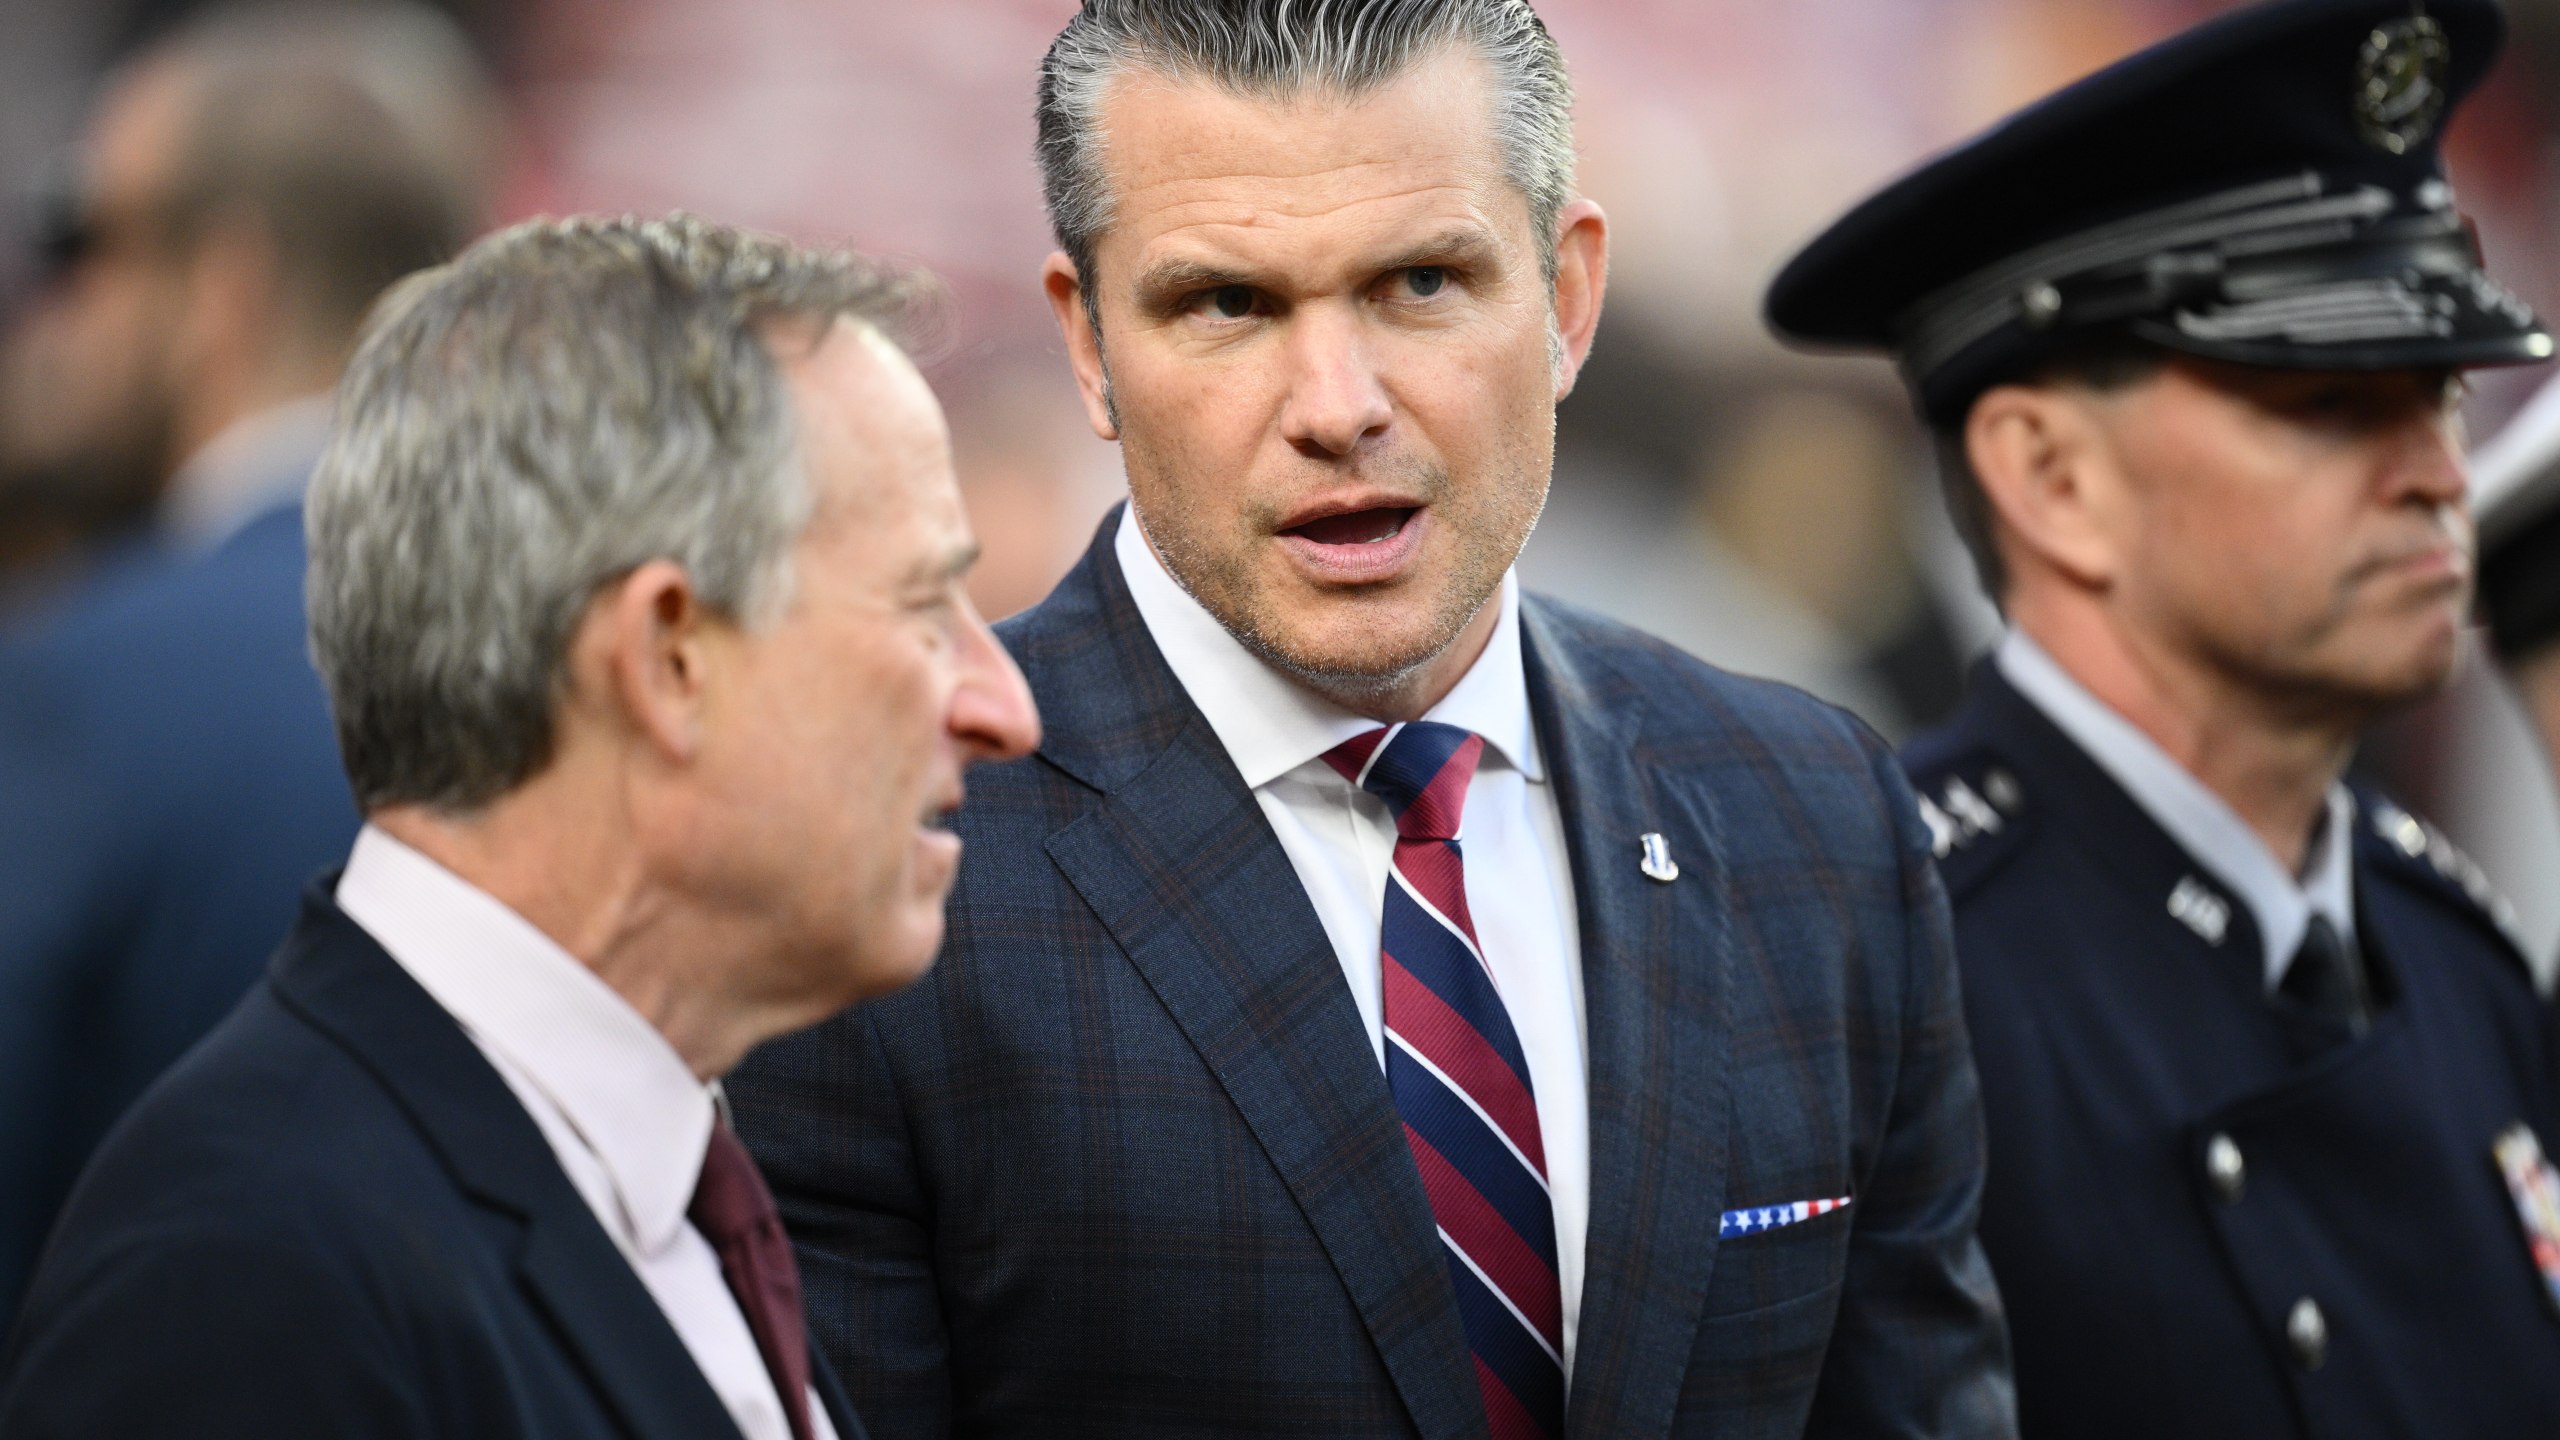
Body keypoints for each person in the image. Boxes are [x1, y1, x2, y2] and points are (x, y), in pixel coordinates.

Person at [727, 3, 2015, 1437]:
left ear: (1569, 296)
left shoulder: (1816, 815)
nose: (1337, 407)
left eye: (1419, 282)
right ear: (1087, 344)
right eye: (1227, 305)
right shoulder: (875, 867)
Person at [0, 212, 1042, 1439]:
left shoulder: (645, 1184)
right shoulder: (248, 1278)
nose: (1002, 707)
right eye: (924, 608)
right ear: (667, 659)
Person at [1766, 0, 2560, 1434]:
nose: (2440, 473)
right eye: (2331, 403)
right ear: (2054, 478)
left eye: (2438, 396)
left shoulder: (2451, 947)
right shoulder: (1878, 975)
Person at [0, 1, 497, 1318]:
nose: (47, 307)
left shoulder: (79, 686)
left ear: (226, 283)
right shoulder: (595, 664)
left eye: (79, 237)